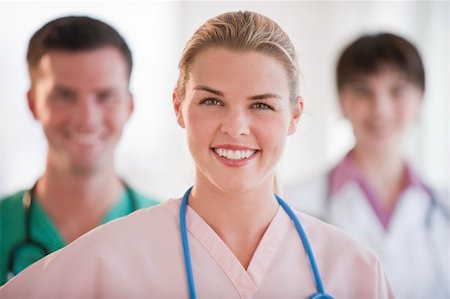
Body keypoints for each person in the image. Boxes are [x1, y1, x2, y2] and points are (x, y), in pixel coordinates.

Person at [0, 11, 394, 298]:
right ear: (178, 108)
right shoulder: (108, 256)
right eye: (211, 101)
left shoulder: (356, 269)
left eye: (261, 105)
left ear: (294, 115)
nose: (235, 127)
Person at [285, 33, 449, 299]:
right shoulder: (295, 204)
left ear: (421, 98)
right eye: (363, 91)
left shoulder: (443, 209)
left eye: (397, 90)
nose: (380, 109)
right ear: (342, 101)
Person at [0, 16, 159, 285]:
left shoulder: (173, 233)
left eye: (105, 96)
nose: (87, 118)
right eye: (65, 96)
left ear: (129, 106)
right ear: (33, 103)